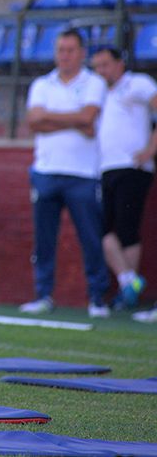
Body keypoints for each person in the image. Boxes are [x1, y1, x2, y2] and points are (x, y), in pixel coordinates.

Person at [21, 28, 110, 318]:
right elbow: (34, 122)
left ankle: (97, 297)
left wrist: (50, 118)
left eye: (71, 50)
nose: (65, 56)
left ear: (82, 53)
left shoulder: (94, 82)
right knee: (44, 239)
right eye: (61, 50)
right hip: (46, 171)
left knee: (90, 237)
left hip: (82, 173)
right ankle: (42, 294)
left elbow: (89, 118)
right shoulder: (42, 84)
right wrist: (75, 121)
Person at [90, 47, 157, 308]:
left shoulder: (136, 83)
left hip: (132, 167)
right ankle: (129, 280)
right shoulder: (99, 93)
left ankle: (127, 290)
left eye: (105, 65)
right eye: (97, 66)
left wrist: (151, 148)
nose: (101, 71)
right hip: (105, 168)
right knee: (102, 228)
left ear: (119, 64)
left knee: (127, 228)